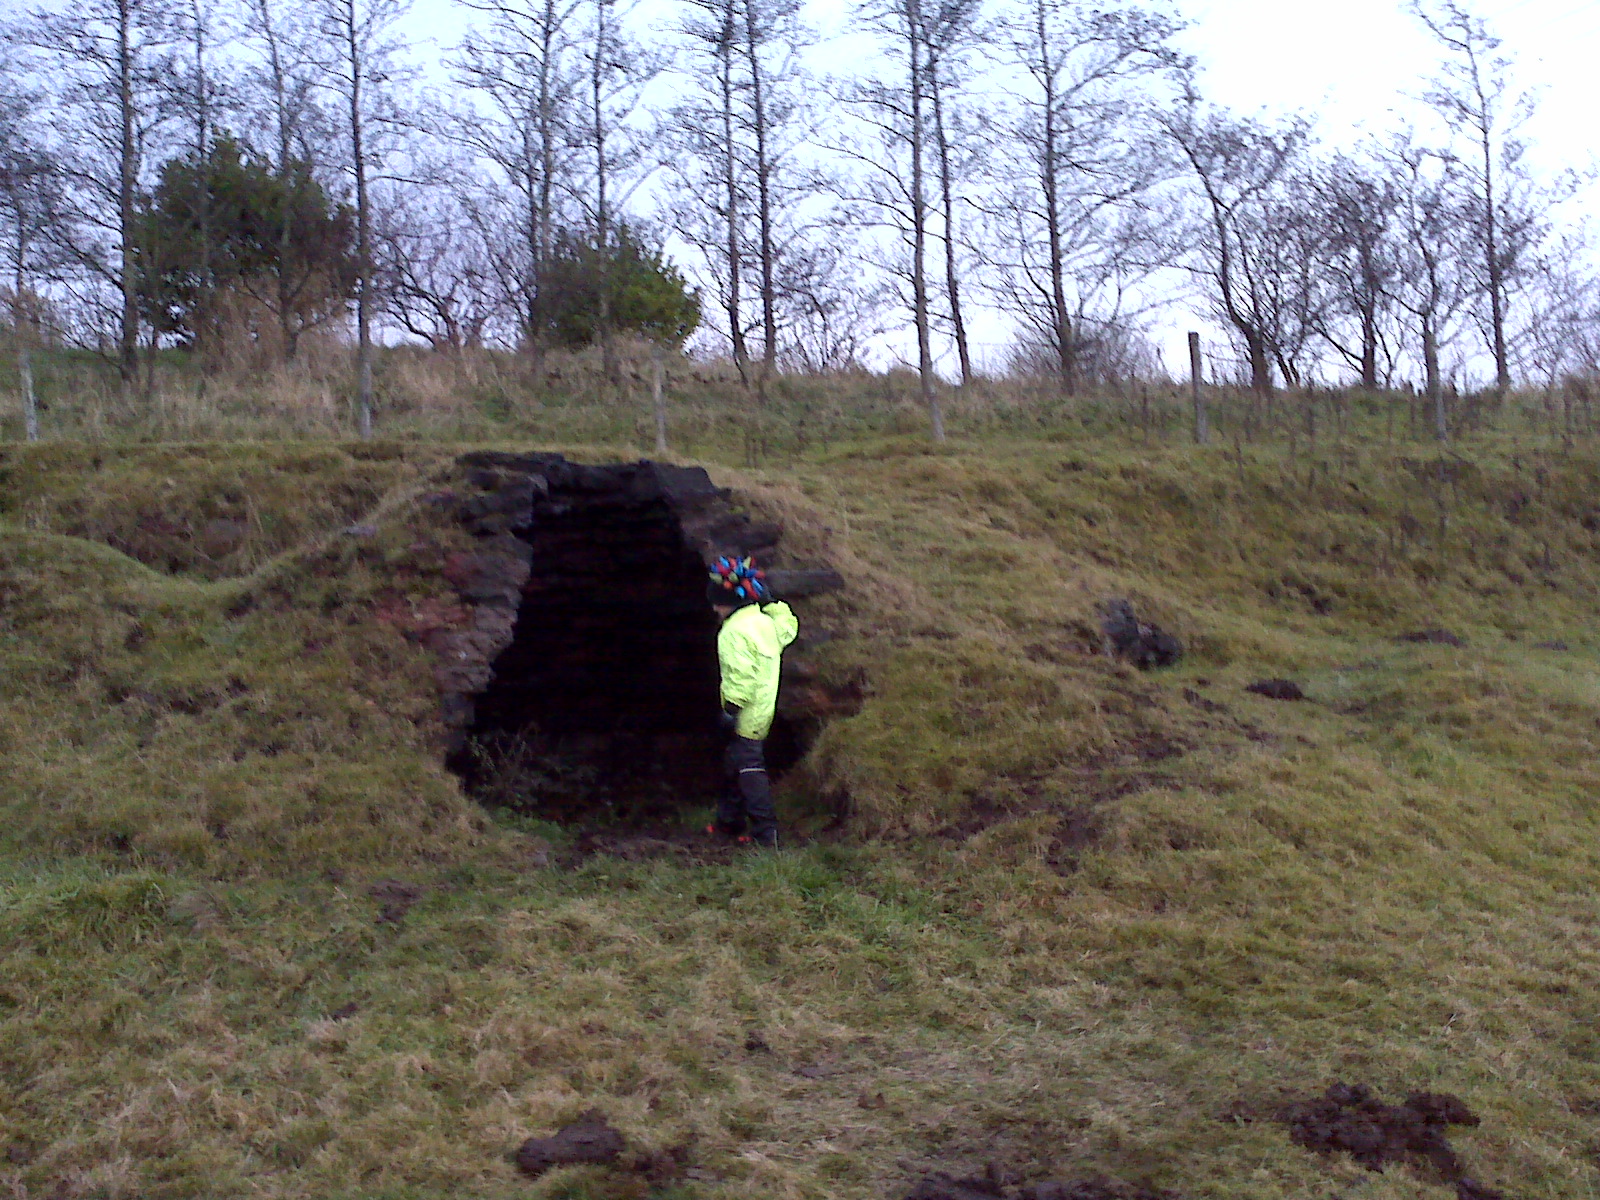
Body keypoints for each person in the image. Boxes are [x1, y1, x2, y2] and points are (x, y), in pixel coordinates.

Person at [706, 556, 798, 848]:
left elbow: (740, 677)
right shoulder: (765, 623)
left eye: (716, 603)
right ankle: (728, 821)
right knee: (734, 762)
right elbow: (788, 626)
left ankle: (765, 833)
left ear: (727, 603)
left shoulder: (733, 632)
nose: (713, 609)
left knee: (749, 769)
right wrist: (772, 603)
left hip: (745, 712)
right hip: (763, 709)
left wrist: (730, 710)